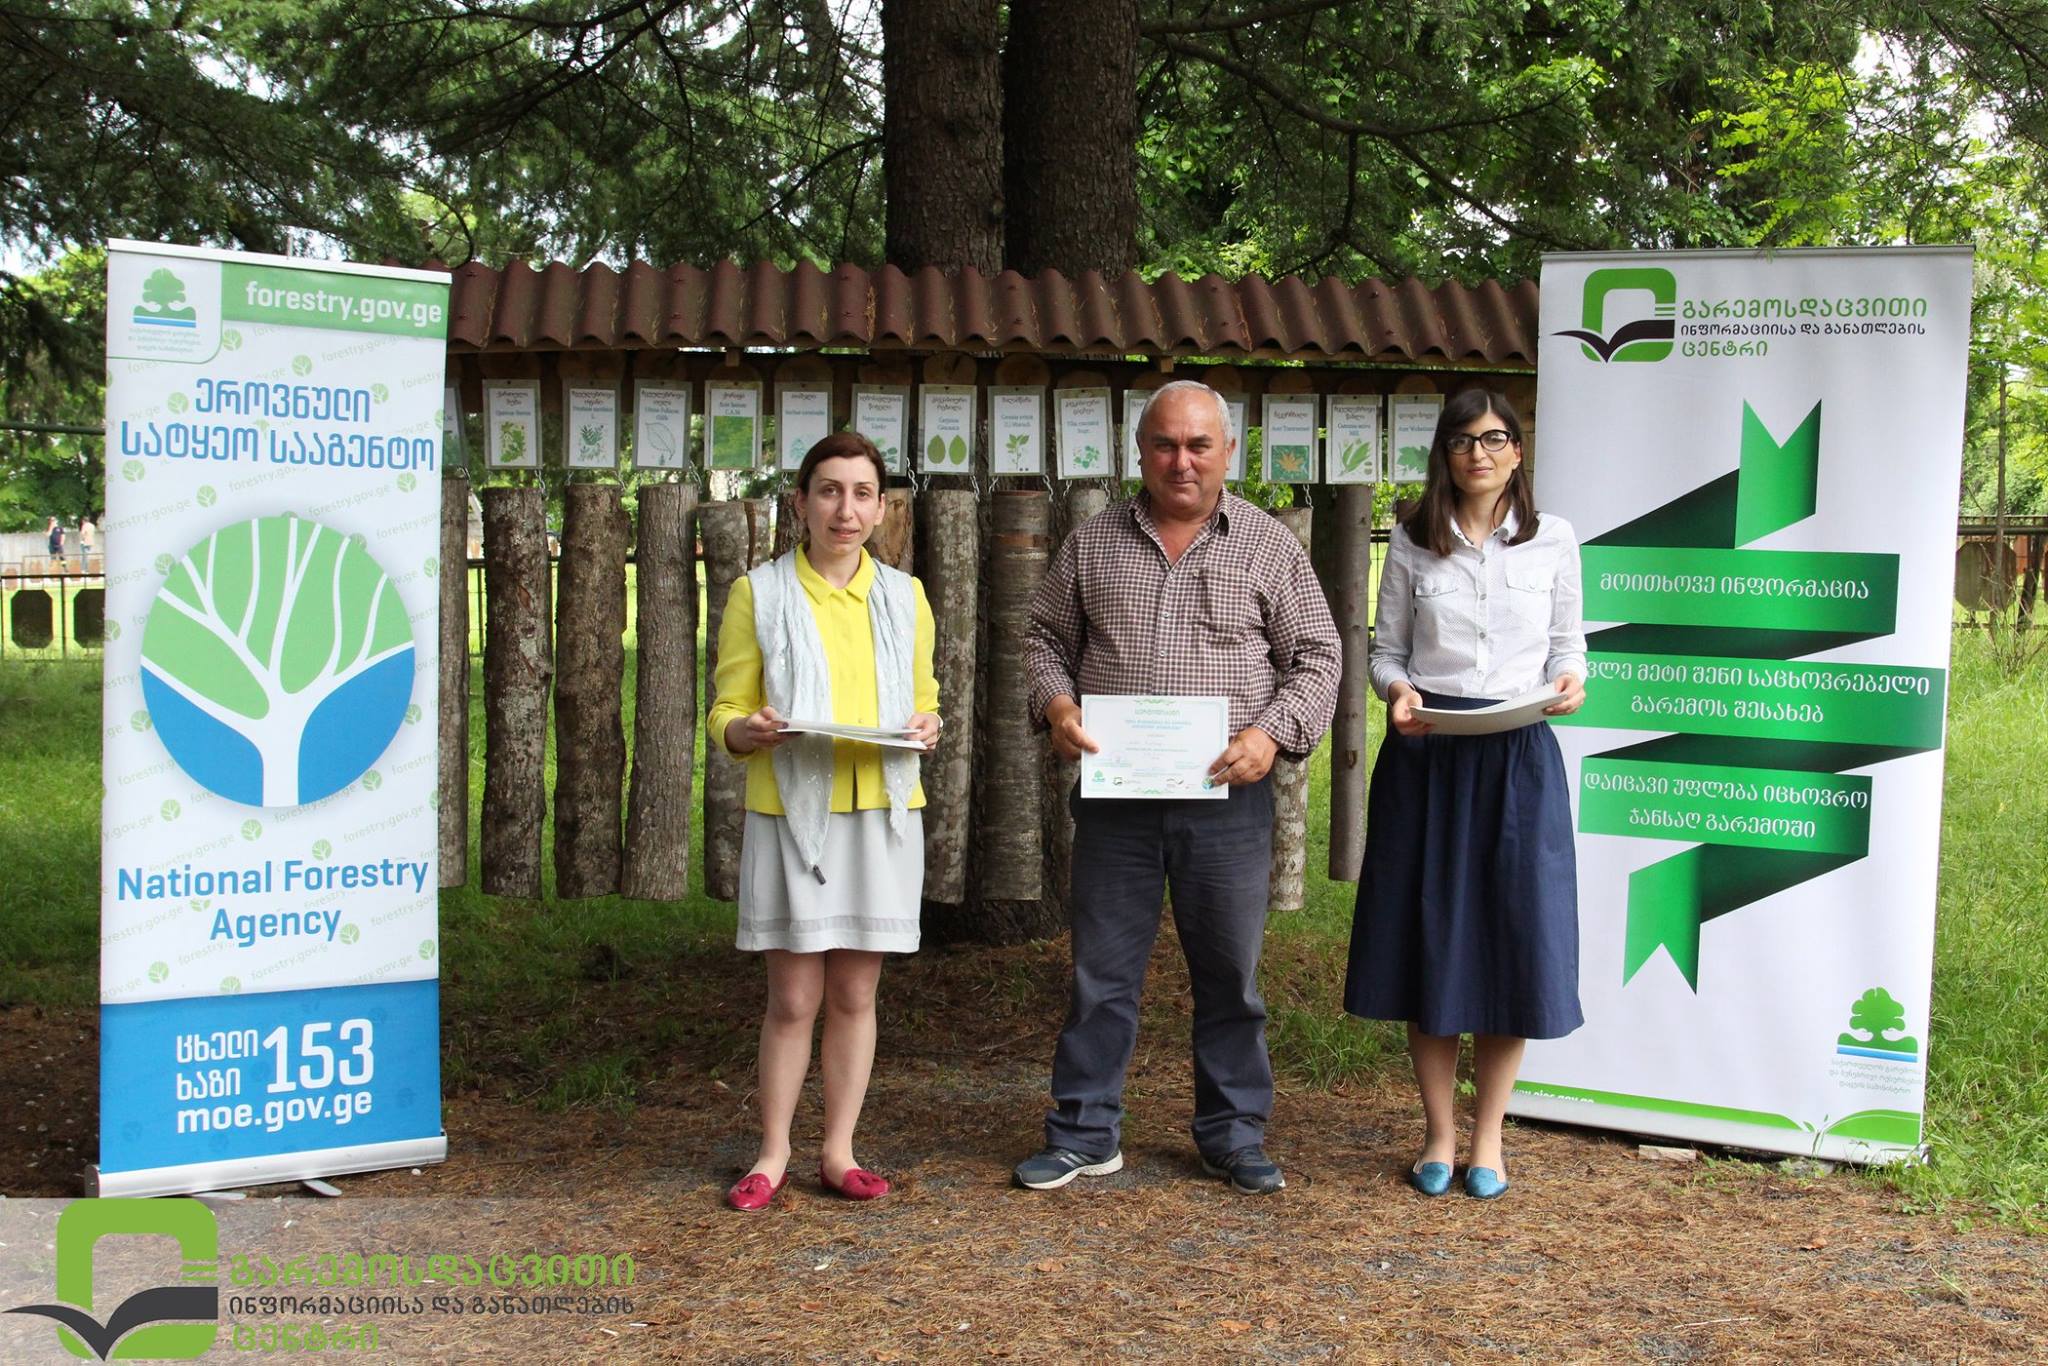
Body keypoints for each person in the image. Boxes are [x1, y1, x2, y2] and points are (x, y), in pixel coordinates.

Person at [1015, 380, 1342, 1196]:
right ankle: (1084, 1133)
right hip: (1117, 801)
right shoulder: (1093, 543)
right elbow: (1043, 638)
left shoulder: (1268, 546)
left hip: (1227, 801)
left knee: (1231, 976)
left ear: (1228, 452)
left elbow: (1319, 657)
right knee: (1100, 976)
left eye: (1199, 445)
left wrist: (1270, 735)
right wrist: (1057, 706)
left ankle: (1232, 1134)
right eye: (1165, 444)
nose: (1182, 461)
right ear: (1140, 452)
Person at [1344, 387, 1587, 1200]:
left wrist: (1571, 680)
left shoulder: (1554, 539)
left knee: (1514, 942)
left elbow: (1568, 645)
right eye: (1461, 441)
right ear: (1443, 454)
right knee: (1432, 942)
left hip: (1519, 758)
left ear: (1517, 450)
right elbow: (1387, 652)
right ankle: (1439, 1134)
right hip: (1430, 757)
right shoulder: (1415, 540)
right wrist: (1397, 693)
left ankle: (1490, 1140)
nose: (1477, 454)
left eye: (1493, 439)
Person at [707, 431, 942, 1211]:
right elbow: (727, 710)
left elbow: (924, 701)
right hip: (792, 814)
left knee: (854, 996)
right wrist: (748, 732)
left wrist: (928, 726)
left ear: (881, 508)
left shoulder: (905, 597)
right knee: (793, 999)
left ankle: (839, 1152)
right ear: (801, 502)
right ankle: (772, 1153)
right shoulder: (761, 593)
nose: (846, 509)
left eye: (862, 493)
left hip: (880, 814)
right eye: (830, 491)